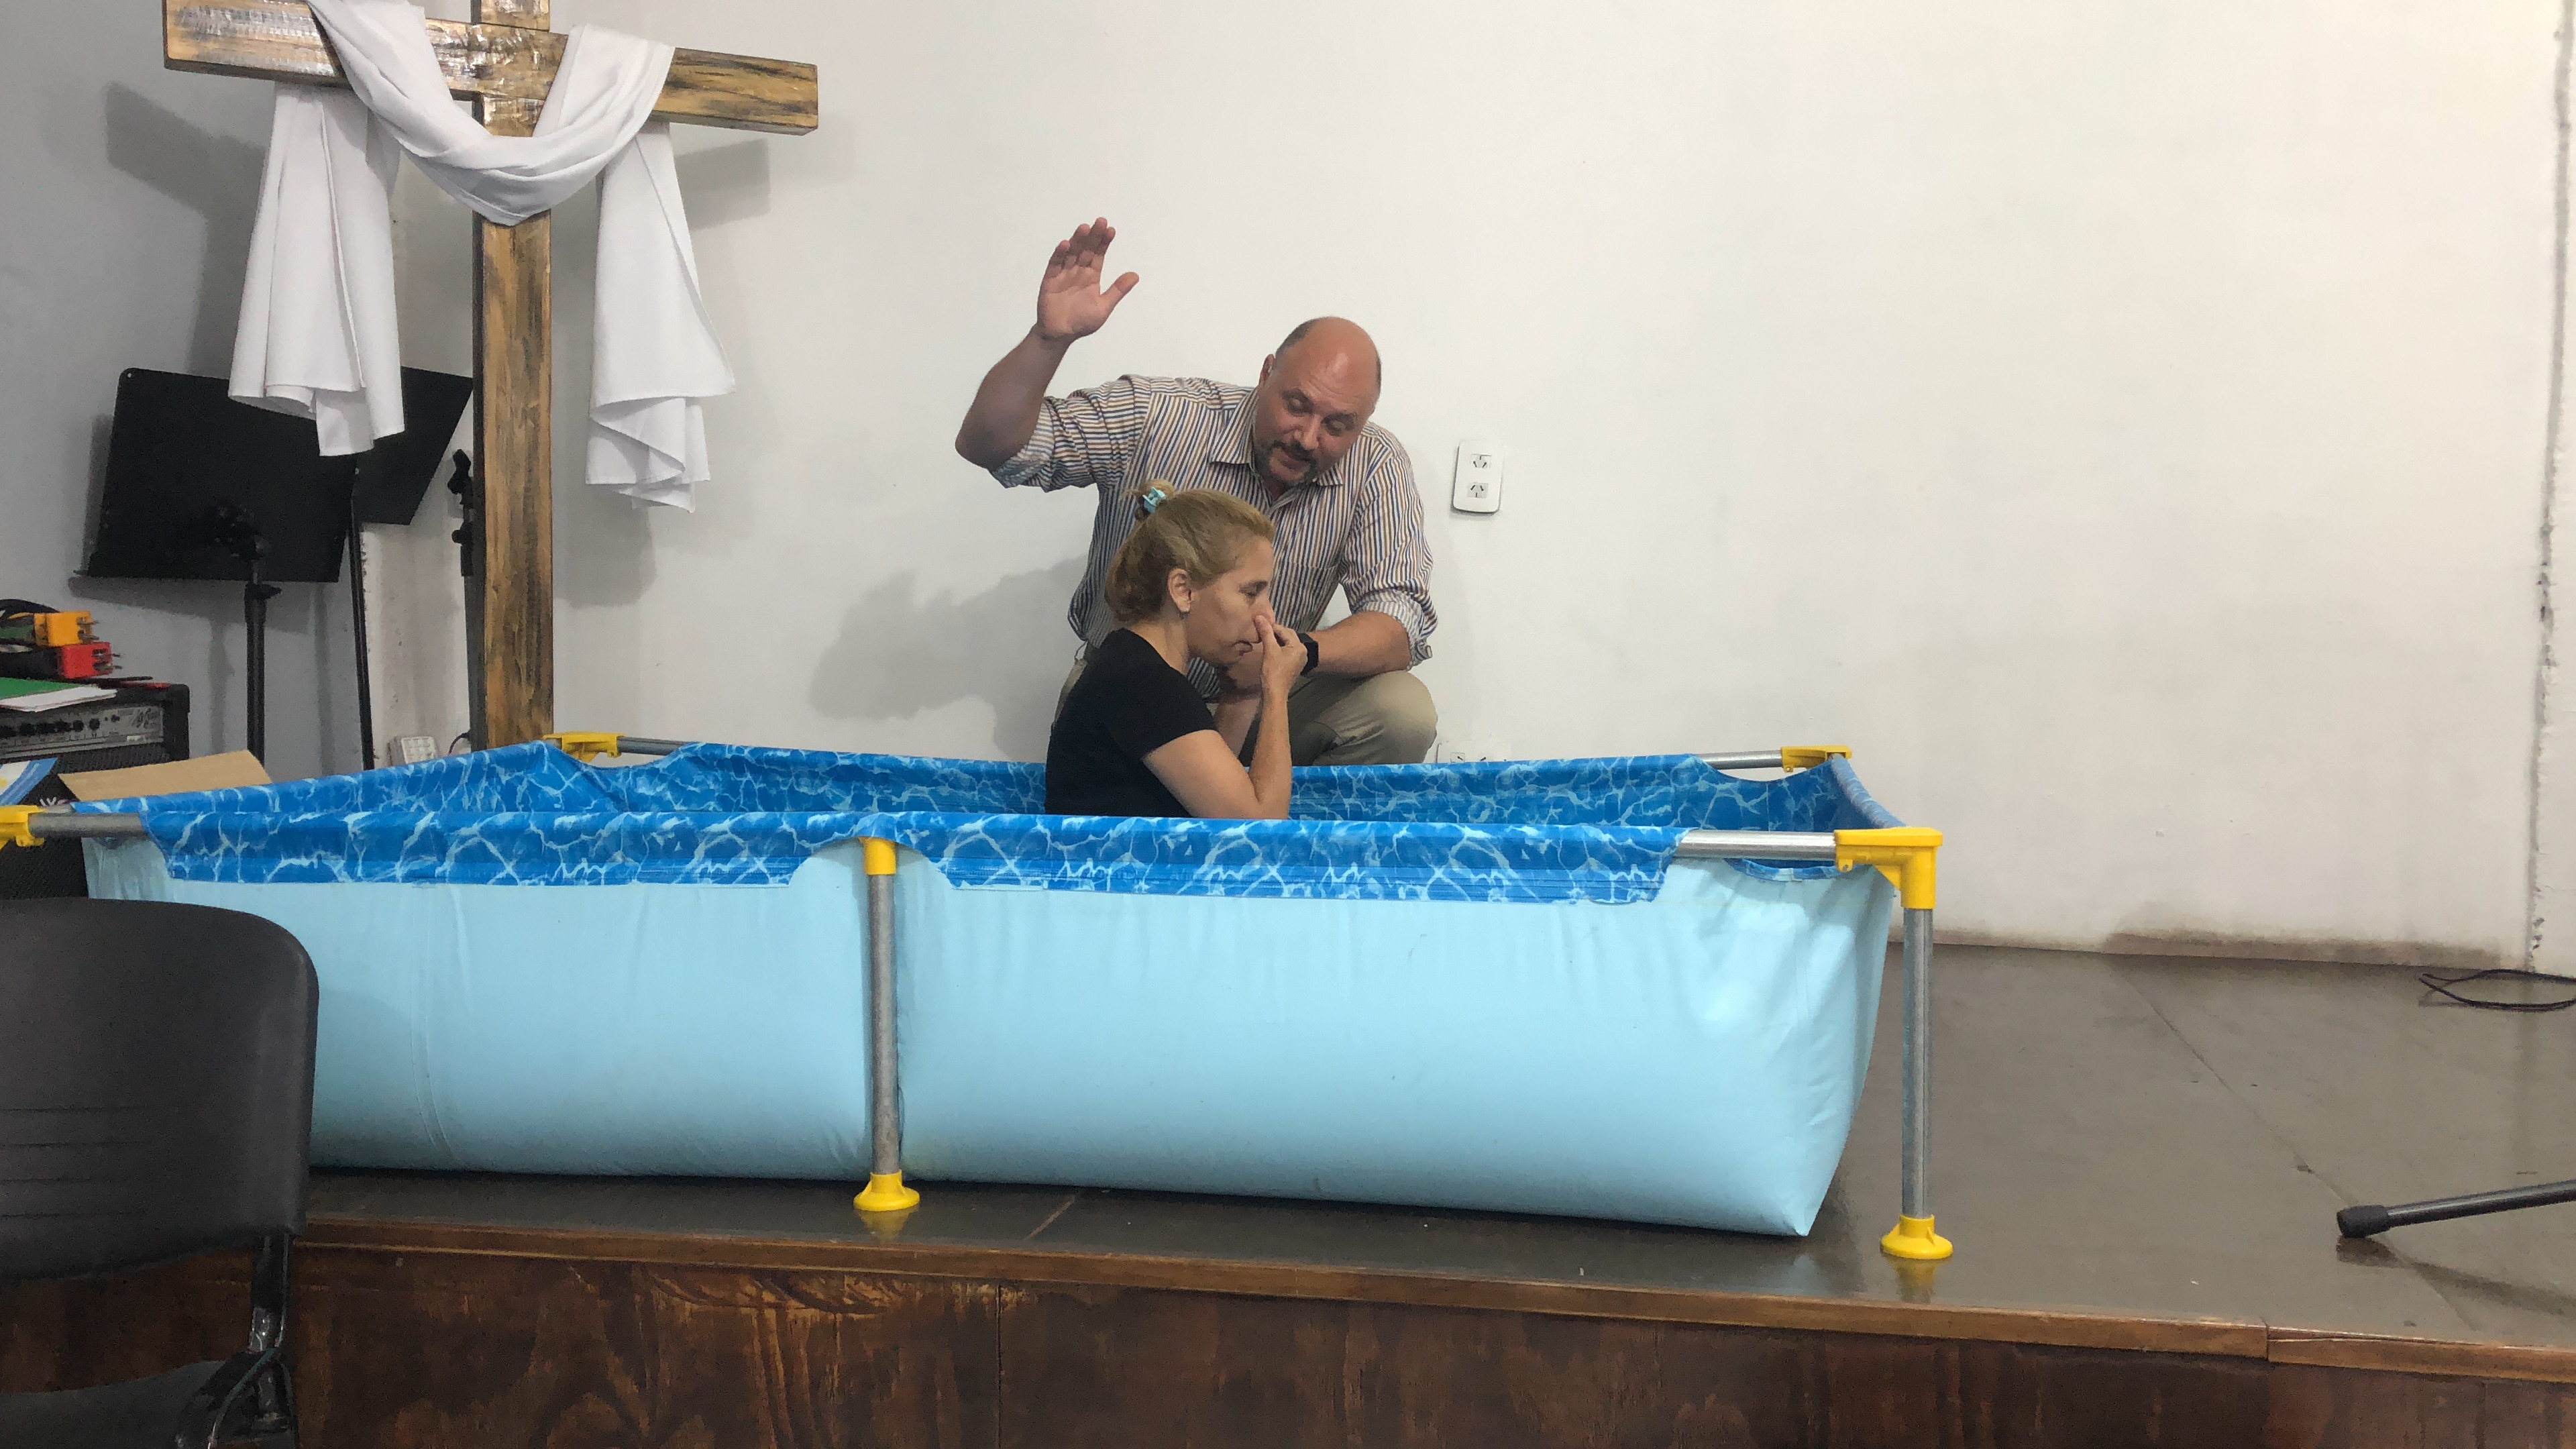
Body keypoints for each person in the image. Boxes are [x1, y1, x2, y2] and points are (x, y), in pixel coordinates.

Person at [956, 217, 1438, 767]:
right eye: (1297, 405)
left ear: (1364, 422)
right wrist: (1049, 339)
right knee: (1125, 795)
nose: (1307, 438)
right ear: (1266, 374)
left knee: (1402, 712)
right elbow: (991, 447)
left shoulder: (1376, 463)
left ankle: (1288, 821)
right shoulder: (1158, 415)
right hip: (1135, 696)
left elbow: (1401, 621)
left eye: (1338, 425)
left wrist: (1292, 655)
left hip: (1262, 698)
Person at [1044, 483, 1304, 818]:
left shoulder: (1132, 663)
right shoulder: (1146, 686)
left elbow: (1209, 797)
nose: (1267, 616)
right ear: (1183, 590)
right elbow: (1261, 829)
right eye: (1251, 592)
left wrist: (1245, 692)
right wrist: (1276, 690)